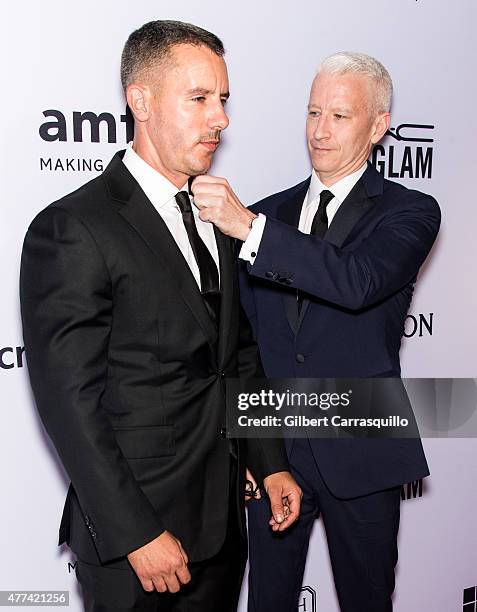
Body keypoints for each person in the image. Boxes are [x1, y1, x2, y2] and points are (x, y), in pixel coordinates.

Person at [20, 20, 301, 612]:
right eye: (199, 98)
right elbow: (71, 403)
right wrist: (136, 533)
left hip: (223, 526)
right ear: (140, 101)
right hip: (139, 544)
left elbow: (238, 356)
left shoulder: (218, 211)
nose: (220, 118)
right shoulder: (74, 226)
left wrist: (268, 460)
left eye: (223, 99)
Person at [191, 52, 441, 611]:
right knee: (268, 602)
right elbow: (242, 342)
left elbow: (356, 281)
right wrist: (252, 447)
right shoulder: (265, 213)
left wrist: (250, 230)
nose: (320, 131)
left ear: (378, 127)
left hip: (362, 443)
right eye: (313, 113)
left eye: (340, 116)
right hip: (273, 451)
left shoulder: (410, 212)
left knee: (366, 600)